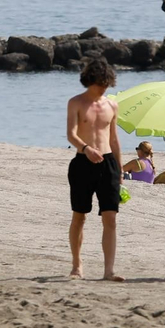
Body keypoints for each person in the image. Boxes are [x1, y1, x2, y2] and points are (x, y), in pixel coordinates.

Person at [65, 57, 125, 280]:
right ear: (91, 80)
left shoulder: (112, 105)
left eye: (107, 83)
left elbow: (115, 138)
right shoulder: (76, 102)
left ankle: (109, 270)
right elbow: (71, 133)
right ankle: (76, 265)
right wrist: (86, 148)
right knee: (79, 216)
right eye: (101, 83)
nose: (104, 87)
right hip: (82, 163)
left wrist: (119, 168)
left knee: (110, 218)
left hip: (108, 163)